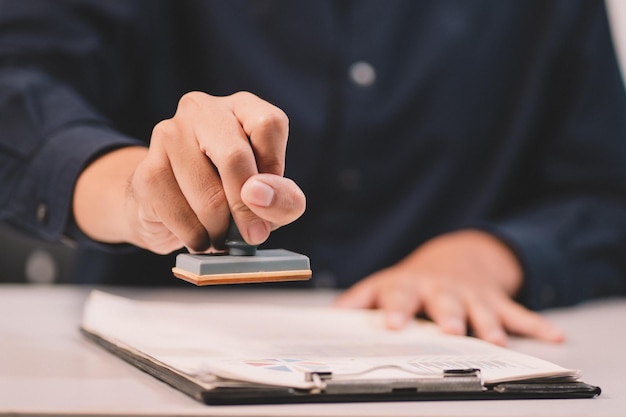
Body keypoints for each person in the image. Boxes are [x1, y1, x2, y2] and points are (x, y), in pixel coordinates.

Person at [1, 1, 625, 346]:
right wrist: (131, 187)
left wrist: (486, 256)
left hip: (453, 358)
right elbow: (16, 86)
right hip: (152, 364)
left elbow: (605, 193)